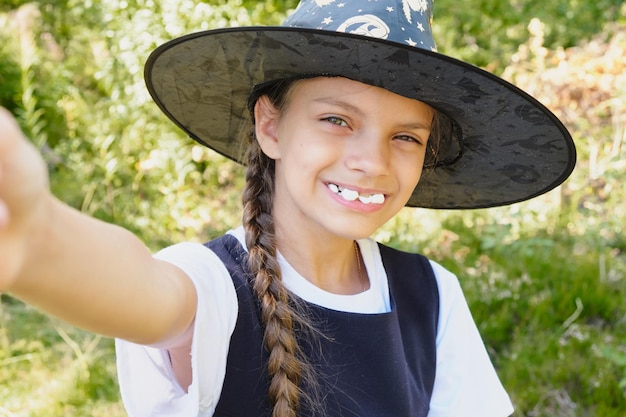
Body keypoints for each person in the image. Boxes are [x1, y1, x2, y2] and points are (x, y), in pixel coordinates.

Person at [0, 0, 576, 416]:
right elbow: (143, 291)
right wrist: (35, 240)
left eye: (406, 137)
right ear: (270, 125)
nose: (371, 162)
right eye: (336, 120)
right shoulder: (217, 287)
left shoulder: (431, 294)